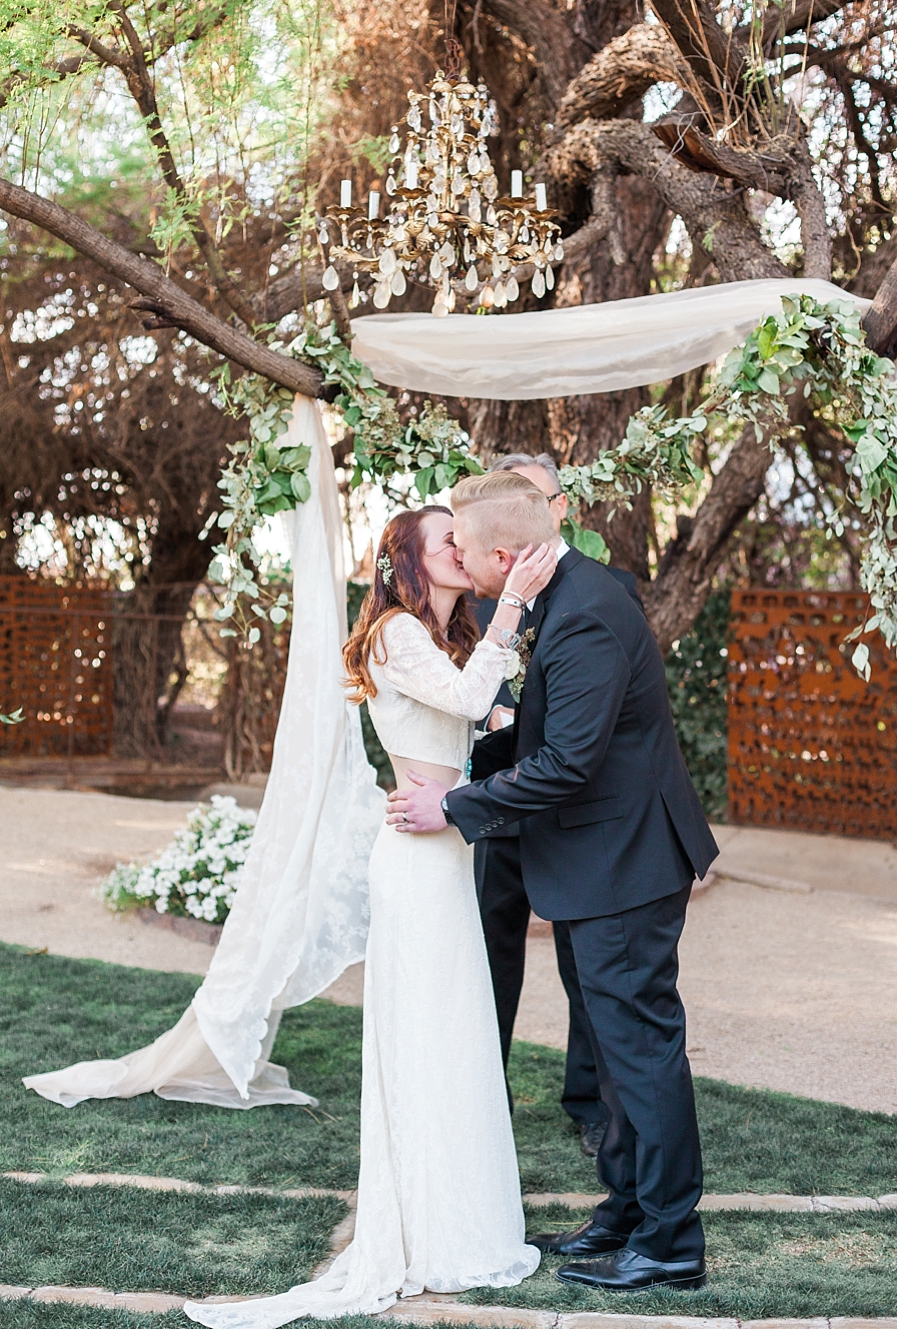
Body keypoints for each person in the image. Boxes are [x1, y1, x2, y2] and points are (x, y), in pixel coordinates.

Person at [185, 505, 555, 1328]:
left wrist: (469, 779)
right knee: (428, 1034)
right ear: (408, 565)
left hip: (445, 850)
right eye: (445, 543)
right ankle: (429, 1227)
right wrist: (514, 606)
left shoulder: (440, 637)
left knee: (455, 1031)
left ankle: (461, 1216)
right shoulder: (393, 633)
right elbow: (465, 695)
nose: (461, 550)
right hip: (417, 866)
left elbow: (475, 715)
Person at [388, 472, 719, 1296]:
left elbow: (566, 764)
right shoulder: (559, 597)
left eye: (462, 547)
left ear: (503, 553)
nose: (456, 559)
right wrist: (461, 768)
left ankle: (672, 1239)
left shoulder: (587, 613)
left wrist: (455, 804)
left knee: (639, 1054)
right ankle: (627, 1206)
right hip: (595, 865)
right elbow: (543, 733)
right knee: (611, 1055)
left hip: (625, 866)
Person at [473, 452, 644, 1157]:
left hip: (568, 810)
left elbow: (604, 707)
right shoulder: (478, 590)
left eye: (536, 496)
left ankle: (592, 1102)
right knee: (487, 951)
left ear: (560, 508)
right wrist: (487, 722)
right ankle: (481, 1090)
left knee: (587, 964)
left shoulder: (607, 591)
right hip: (499, 805)